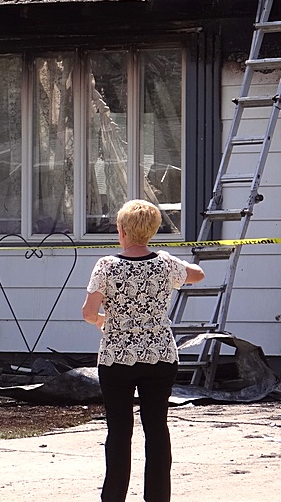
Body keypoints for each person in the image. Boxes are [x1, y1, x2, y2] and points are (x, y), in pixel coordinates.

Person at [82, 199, 205, 502]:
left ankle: (113, 497)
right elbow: (198, 274)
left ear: (122, 231)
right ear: (152, 231)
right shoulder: (164, 263)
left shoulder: (106, 266)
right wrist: (173, 262)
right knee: (157, 427)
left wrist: (101, 320)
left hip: (117, 358)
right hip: (160, 355)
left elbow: (88, 312)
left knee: (119, 431)